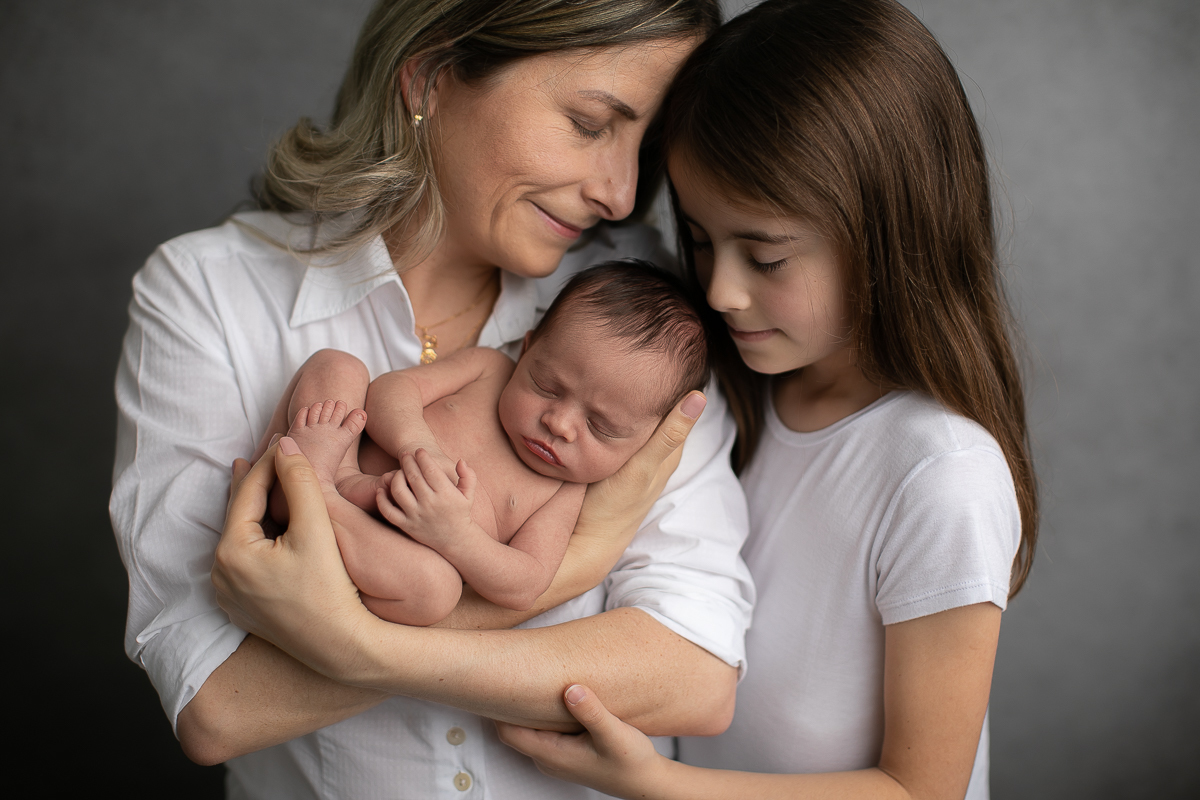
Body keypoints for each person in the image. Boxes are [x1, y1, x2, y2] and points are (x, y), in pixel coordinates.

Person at [110, 1, 755, 798]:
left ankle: (320, 500)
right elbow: (219, 706)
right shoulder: (209, 293)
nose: (621, 194)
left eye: (645, 146)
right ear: (431, 75)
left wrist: (357, 643)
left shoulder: (642, 319)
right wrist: (580, 562)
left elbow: (695, 674)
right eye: (590, 124)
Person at [496, 1, 1039, 798]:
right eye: (701, 239)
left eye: (767, 257)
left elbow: (921, 789)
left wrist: (656, 783)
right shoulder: (721, 387)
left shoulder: (943, 476)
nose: (719, 290)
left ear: (888, 232)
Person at [266, 262, 709, 626]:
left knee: (436, 590)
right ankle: (330, 482)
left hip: (377, 552)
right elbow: (391, 390)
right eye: (547, 386)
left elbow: (526, 583)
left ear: (645, 443)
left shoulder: (563, 492)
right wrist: (417, 445)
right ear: (527, 349)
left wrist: (455, 537)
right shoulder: (490, 368)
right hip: (338, 460)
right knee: (337, 366)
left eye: (601, 427)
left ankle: (317, 499)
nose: (559, 424)